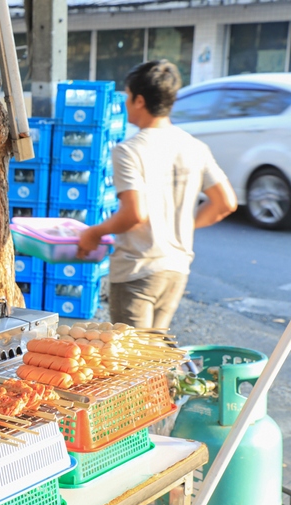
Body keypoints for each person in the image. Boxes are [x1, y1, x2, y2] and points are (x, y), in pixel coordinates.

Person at [77, 60, 237, 330]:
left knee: (134, 364)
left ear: (139, 100)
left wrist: (93, 233)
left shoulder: (129, 150)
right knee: (155, 357)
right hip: (176, 268)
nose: (125, 103)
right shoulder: (193, 146)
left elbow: (134, 215)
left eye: (127, 97)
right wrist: (181, 225)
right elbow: (226, 203)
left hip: (137, 269)